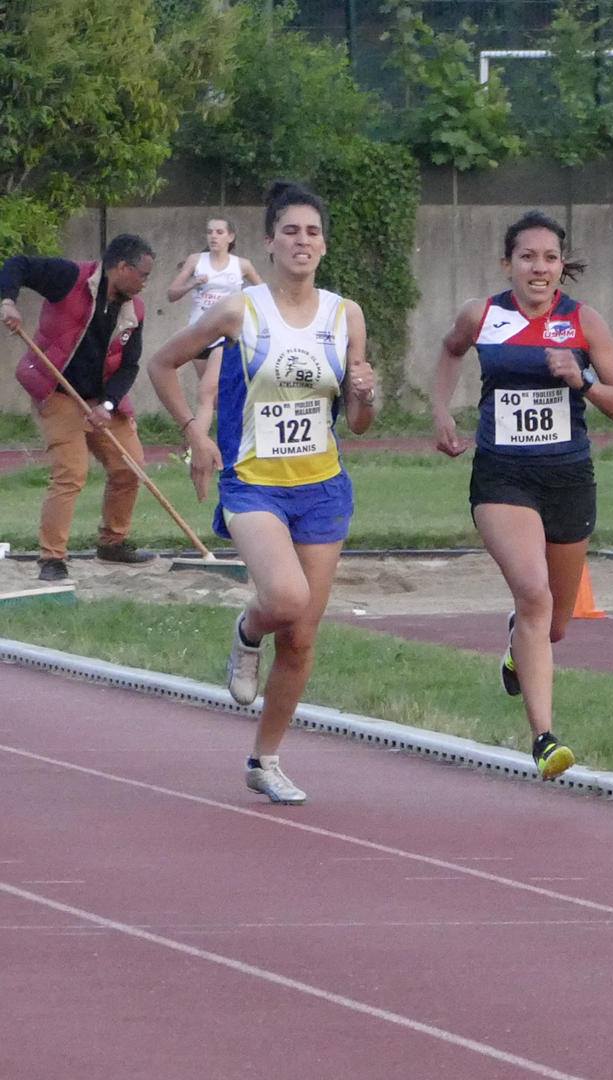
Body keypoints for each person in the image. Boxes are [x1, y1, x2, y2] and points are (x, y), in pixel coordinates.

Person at [146, 181, 377, 806]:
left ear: (324, 244)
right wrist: (195, 432)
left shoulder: (345, 314)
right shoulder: (240, 311)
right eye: (291, 231)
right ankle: (248, 630)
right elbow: (161, 364)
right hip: (254, 483)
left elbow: (357, 421)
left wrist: (364, 393)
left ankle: (265, 759)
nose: (303, 242)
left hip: (323, 489)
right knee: (285, 600)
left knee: (301, 637)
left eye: (313, 232)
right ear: (269, 242)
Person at [431, 210, 613, 781]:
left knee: (554, 624)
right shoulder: (483, 315)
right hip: (503, 477)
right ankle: (545, 739)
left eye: (550, 258)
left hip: (569, 477)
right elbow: (451, 350)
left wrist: (583, 380)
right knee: (533, 593)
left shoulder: (584, 323)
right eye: (528, 257)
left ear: (561, 266)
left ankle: (516, 648)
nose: (539, 268)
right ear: (509, 264)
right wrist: (441, 411)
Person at [1, 234, 159, 582]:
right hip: (57, 391)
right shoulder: (68, 277)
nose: (146, 283)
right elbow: (19, 265)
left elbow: (130, 366)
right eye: (143, 275)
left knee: (129, 467)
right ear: (122, 267)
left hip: (100, 397)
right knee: (71, 472)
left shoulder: (136, 310)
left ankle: (113, 543)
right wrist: (8, 302)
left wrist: (107, 404)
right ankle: (52, 558)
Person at [163, 217, 262, 377]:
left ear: (230, 237)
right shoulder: (196, 260)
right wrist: (193, 283)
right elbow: (171, 294)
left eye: (219, 232)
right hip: (199, 331)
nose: (213, 236)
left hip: (228, 333)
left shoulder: (242, 264)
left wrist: (245, 302)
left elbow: (263, 293)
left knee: (215, 387)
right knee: (207, 388)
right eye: (209, 232)